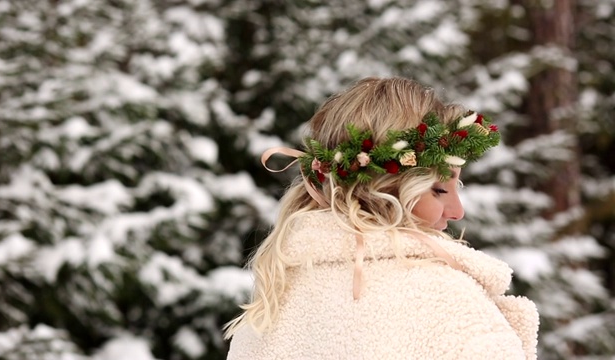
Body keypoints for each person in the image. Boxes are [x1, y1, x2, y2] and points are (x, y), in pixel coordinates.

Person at [224, 77, 539, 359]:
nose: (457, 211)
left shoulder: (273, 304)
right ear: (384, 187)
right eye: (440, 190)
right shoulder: (446, 303)